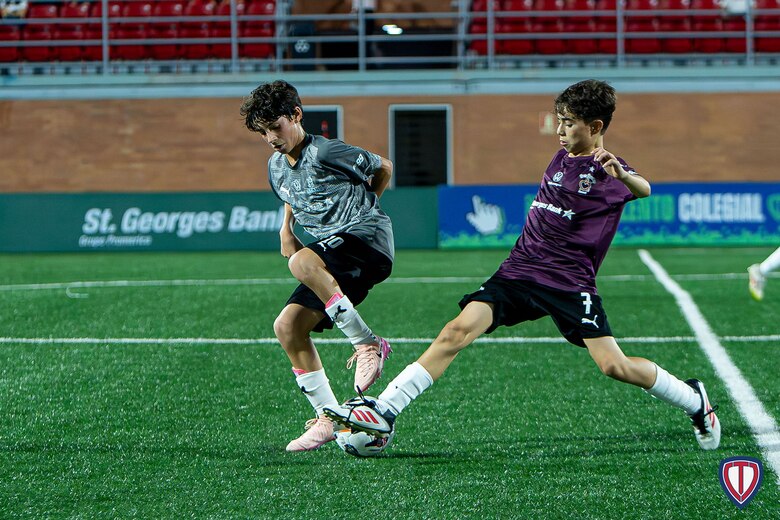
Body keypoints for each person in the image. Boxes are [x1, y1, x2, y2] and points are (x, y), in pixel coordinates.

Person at [325, 79, 721, 451]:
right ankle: (385, 410)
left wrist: (622, 175)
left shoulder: (608, 169)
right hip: (519, 269)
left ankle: (693, 398)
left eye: (568, 123)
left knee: (614, 366)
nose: (560, 131)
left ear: (596, 126)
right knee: (455, 331)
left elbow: (645, 188)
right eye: (560, 121)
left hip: (568, 282)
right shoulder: (562, 155)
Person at [241, 80, 394, 452]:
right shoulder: (275, 166)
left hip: (367, 240)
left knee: (302, 260)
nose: (271, 138)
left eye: (275, 127)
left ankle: (367, 344)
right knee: (287, 327)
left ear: (296, 115)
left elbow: (384, 166)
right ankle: (328, 417)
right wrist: (286, 227)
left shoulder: (326, 151)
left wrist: (367, 206)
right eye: (263, 132)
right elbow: (291, 193)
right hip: (332, 258)